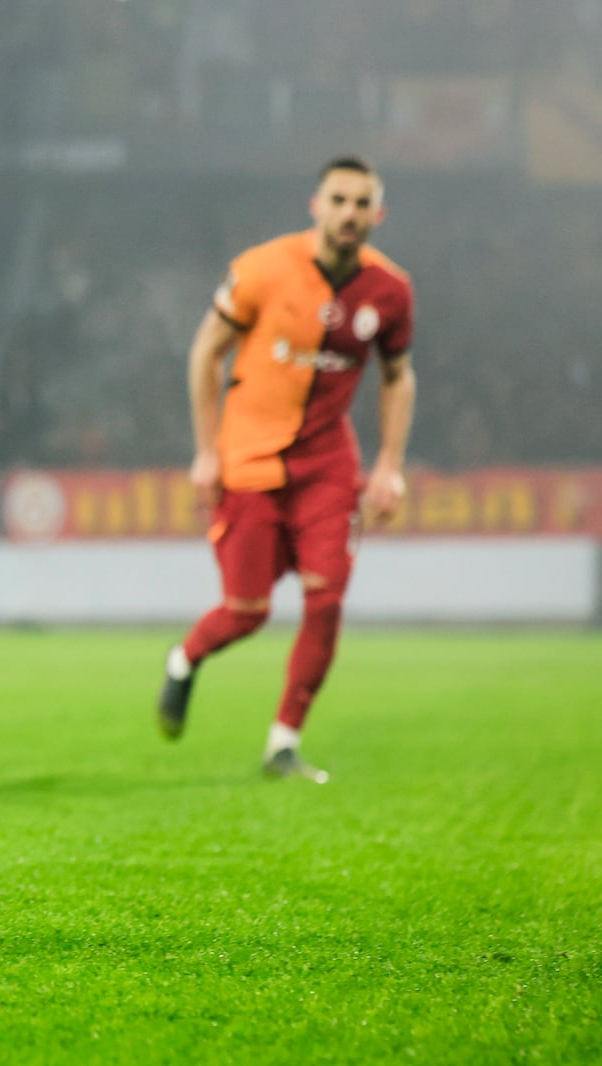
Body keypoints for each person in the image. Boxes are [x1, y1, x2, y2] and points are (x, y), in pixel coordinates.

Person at [158, 156, 417, 782]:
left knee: (325, 600)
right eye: (339, 200)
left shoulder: (390, 290)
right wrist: (205, 451)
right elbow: (206, 354)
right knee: (246, 611)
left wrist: (389, 464)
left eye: (362, 204)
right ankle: (184, 660)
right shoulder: (262, 269)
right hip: (250, 462)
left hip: (329, 467)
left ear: (378, 214)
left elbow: (398, 375)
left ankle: (283, 742)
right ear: (316, 205)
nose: (350, 214)